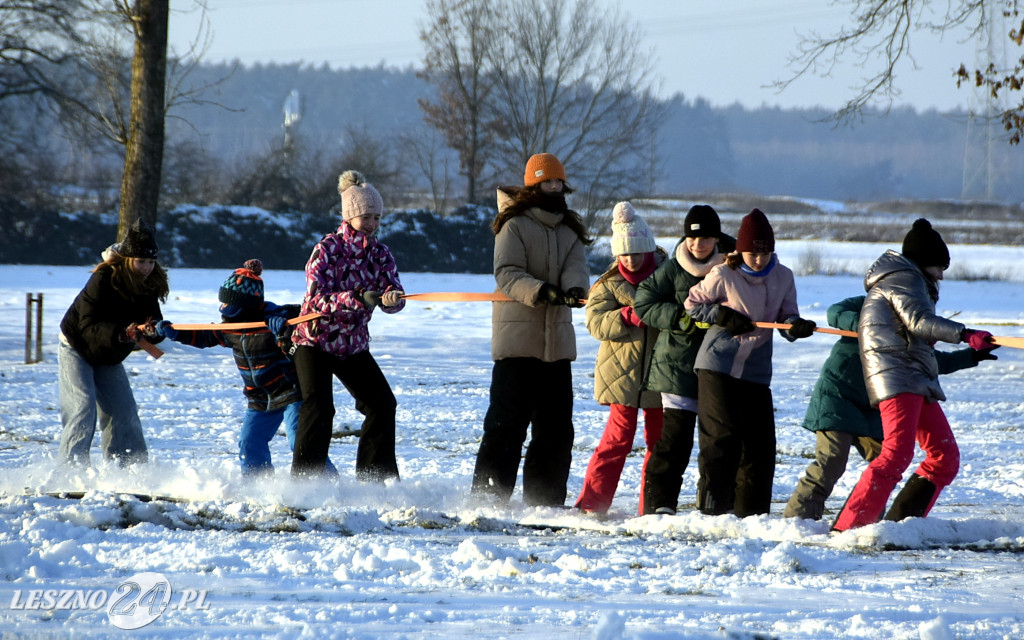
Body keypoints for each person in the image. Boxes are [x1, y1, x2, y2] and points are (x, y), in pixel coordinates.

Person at [831, 219, 998, 531]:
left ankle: (903, 525)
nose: (942, 275)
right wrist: (964, 333)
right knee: (895, 455)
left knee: (944, 456)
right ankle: (847, 528)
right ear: (925, 263)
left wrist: (968, 353)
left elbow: (918, 337)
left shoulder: (910, 281)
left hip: (916, 378)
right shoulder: (903, 280)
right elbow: (920, 321)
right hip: (897, 377)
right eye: (939, 267)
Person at [783, 295, 997, 520]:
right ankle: (798, 521)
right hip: (838, 398)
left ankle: (862, 521)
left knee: (885, 465)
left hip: (875, 406)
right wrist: (872, 327)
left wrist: (972, 356)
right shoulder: (872, 302)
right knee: (832, 460)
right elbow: (835, 312)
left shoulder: (915, 318)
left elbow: (930, 362)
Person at [471, 152, 592, 507]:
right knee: (505, 427)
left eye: (557, 181)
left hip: (557, 345)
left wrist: (573, 289)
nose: (553, 187)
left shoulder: (569, 228)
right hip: (517, 343)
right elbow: (506, 272)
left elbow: (577, 265)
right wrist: (540, 291)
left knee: (555, 431)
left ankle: (545, 500)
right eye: (545, 182)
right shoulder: (514, 224)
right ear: (532, 184)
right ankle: (487, 500)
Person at [684, 208, 817, 517]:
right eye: (752, 253)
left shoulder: (783, 276)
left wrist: (796, 325)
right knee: (722, 438)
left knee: (760, 445)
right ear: (740, 250)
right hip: (717, 365)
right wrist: (720, 315)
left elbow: (787, 316)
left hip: (756, 370)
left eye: (765, 252)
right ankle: (714, 510)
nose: (758, 259)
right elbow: (692, 304)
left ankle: (753, 514)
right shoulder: (723, 274)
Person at [154, 259, 338, 478]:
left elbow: (299, 346)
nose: (222, 308)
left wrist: (283, 333)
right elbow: (205, 335)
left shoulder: (275, 321)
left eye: (227, 303)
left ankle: (326, 483)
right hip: (260, 397)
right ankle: (256, 486)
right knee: (250, 442)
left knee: (301, 439)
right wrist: (174, 332)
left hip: (291, 392)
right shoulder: (231, 328)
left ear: (245, 305)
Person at [289, 170, 406, 481]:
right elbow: (316, 301)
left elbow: (393, 292)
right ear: (350, 215)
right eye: (366, 216)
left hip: (352, 345)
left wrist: (391, 300)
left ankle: (374, 481)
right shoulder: (326, 249)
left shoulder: (380, 254)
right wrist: (357, 297)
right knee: (320, 408)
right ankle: (304, 484)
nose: (372, 223)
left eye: (377, 218)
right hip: (314, 341)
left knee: (383, 404)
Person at [633, 204, 734, 515]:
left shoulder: (732, 264)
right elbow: (644, 302)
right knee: (673, 441)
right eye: (691, 238)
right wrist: (679, 317)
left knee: (716, 441)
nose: (697, 245)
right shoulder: (675, 266)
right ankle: (659, 505)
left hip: (720, 366)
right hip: (677, 365)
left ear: (716, 238)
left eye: (704, 238)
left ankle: (714, 506)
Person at [575, 202, 665, 515]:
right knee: (617, 441)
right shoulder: (607, 284)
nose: (630, 259)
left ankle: (652, 507)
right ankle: (591, 505)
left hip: (660, 374)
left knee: (660, 444)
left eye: (636, 253)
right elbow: (595, 322)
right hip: (620, 376)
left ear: (648, 248)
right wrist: (626, 317)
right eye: (624, 254)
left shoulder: (667, 277)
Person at [57, 219, 168, 466]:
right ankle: (70, 471)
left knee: (124, 410)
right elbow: (87, 325)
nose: (147, 268)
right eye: (141, 261)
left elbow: (154, 322)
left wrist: (153, 330)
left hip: (110, 352)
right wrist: (121, 333)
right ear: (127, 259)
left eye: (151, 262)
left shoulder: (149, 284)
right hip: (76, 346)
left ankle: (129, 469)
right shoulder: (104, 278)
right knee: (83, 407)